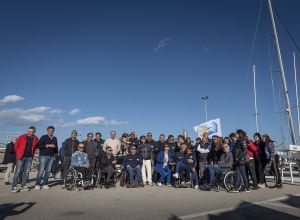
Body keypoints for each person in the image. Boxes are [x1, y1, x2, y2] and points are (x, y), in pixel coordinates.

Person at [11, 126, 39, 193]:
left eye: (31, 131)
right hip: (21, 157)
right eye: (29, 131)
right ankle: (14, 187)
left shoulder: (36, 138)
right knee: (17, 172)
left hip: (29, 157)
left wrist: (32, 154)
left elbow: (35, 147)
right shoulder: (22, 137)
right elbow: (15, 146)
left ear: (34, 132)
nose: (29, 132)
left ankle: (23, 186)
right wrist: (18, 153)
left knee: (26, 172)